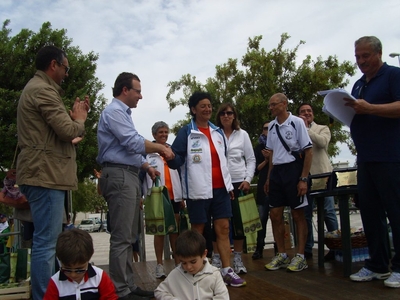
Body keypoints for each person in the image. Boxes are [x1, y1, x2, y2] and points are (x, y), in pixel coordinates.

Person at [16, 45, 89, 300]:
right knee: (46, 244)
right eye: (66, 68)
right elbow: (68, 131)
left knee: (46, 242)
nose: (67, 74)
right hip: (45, 176)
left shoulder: (37, 89)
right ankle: (43, 296)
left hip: (43, 173)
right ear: (54, 65)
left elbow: (56, 133)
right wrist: (78, 120)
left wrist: (73, 122)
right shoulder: (44, 90)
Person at [96, 72, 174, 299]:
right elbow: (132, 142)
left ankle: (128, 286)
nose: (141, 95)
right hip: (120, 175)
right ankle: (120, 290)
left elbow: (128, 147)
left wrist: (145, 166)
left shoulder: (122, 114)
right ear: (124, 90)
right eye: (137, 90)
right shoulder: (114, 112)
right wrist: (161, 148)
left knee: (130, 237)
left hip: (127, 174)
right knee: (122, 237)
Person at [167, 91, 246, 287]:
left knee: (224, 228)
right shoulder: (187, 132)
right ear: (193, 110)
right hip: (198, 190)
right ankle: (197, 272)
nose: (208, 109)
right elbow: (176, 159)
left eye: (209, 105)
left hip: (220, 190)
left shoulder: (217, 132)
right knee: (198, 231)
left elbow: (223, 162)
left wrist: (229, 186)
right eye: (203, 106)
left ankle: (227, 270)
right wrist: (170, 156)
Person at [343, 36, 400, 288]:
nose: (361, 61)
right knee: (369, 212)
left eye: (365, 56)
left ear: (379, 53)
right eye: (357, 56)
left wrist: (371, 108)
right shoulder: (357, 85)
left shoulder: (393, 75)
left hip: (391, 156)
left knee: (396, 212)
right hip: (365, 158)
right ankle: (377, 264)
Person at [264, 93, 313, 272]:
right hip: (277, 170)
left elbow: (308, 151)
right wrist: (269, 177)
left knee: (298, 214)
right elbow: (271, 154)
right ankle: (282, 254)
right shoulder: (271, 127)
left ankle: (300, 255)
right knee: (275, 214)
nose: (271, 108)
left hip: (293, 169)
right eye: (270, 105)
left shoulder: (297, 122)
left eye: (274, 104)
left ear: (284, 104)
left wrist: (303, 178)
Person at [211, 103, 256, 274]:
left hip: (238, 182)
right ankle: (217, 258)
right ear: (219, 116)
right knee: (218, 223)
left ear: (234, 115)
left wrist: (248, 179)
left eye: (229, 113)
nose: (226, 116)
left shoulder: (242, 134)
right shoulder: (215, 134)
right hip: (220, 183)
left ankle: (237, 258)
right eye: (222, 113)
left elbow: (251, 159)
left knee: (238, 223)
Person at [142, 121, 184, 278]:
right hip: (157, 197)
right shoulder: (147, 153)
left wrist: (182, 196)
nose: (164, 135)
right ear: (154, 135)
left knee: (175, 232)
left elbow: (179, 173)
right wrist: (141, 196)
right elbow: (142, 176)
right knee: (159, 233)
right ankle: (159, 265)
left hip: (174, 196)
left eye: (166, 132)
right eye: (161, 132)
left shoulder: (172, 150)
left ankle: (178, 264)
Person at [298, 103, 339, 261]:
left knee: (328, 212)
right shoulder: (295, 131)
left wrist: (306, 129)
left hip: (323, 177)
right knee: (306, 215)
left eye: (309, 111)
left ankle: (336, 247)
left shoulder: (322, 128)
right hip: (305, 179)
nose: (306, 113)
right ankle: (308, 248)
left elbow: (322, 143)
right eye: (302, 112)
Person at [44, 229, 118, 299]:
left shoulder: (99, 277)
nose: (73, 275)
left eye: (79, 270)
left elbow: (110, 297)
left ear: (88, 259)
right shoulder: (56, 282)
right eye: (67, 270)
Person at [154, 229, 229, 300]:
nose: (188, 267)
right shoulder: (176, 274)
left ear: (204, 254)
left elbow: (223, 297)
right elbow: (159, 291)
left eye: (193, 262)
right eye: (184, 262)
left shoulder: (215, 274)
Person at [252, 121, 271, 260]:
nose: (268, 130)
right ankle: (259, 248)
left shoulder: (279, 144)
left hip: (277, 187)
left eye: (271, 128)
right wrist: (266, 160)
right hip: (262, 187)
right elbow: (255, 170)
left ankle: (280, 250)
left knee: (278, 218)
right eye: (265, 128)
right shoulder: (259, 148)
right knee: (262, 219)